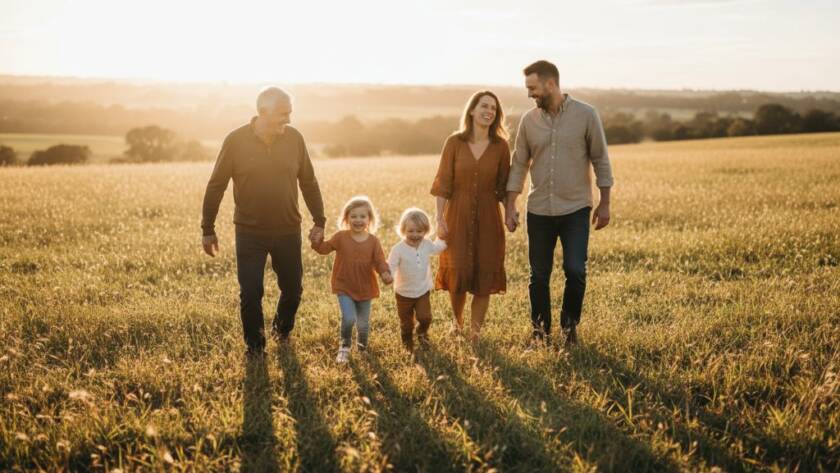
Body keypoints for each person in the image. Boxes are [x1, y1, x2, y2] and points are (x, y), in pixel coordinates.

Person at [201, 86, 326, 357]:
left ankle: (281, 332)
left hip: (287, 229)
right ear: (262, 112)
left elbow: (308, 181)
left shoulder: (294, 139)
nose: (289, 120)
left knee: (293, 290)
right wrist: (207, 229)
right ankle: (255, 348)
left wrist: (319, 221)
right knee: (250, 292)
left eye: (290, 113)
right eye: (283, 114)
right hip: (249, 232)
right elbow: (216, 185)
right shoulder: (235, 141)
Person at [505, 60, 614, 348]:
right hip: (539, 209)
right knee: (538, 275)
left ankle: (569, 330)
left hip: (576, 208)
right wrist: (510, 204)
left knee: (575, 269)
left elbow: (601, 159)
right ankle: (540, 333)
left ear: (550, 84)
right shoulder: (529, 121)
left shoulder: (586, 115)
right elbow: (519, 164)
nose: (529, 94)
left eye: (533, 88)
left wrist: (605, 203)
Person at [430, 90, 511, 343]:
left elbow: (505, 186)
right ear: (472, 110)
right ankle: (457, 324)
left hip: (489, 217)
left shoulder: (501, 147)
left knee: (484, 273)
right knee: (458, 272)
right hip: (457, 214)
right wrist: (439, 218)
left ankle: (475, 333)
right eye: (484, 106)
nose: (489, 111)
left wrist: (511, 211)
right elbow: (443, 183)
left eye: (493, 109)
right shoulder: (454, 143)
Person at [311, 196, 393, 363]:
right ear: (346, 218)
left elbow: (379, 261)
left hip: (365, 287)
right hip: (344, 285)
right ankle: (344, 346)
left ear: (369, 219)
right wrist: (316, 242)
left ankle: (362, 348)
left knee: (363, 323)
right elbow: (325, 249)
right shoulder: (341, 237)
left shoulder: (373, 241)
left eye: (362, 216)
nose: (358, 220)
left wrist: (384, 273)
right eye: (354, 216)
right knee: (349, 318)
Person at [387, 208, 447, 353]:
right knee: (406, 323)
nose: (415, 235)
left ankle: (422, 332)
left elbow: (438, 248)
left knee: (425, 317)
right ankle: (407, 341)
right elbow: (392, 265)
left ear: (425, 231)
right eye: (411, 231)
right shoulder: (398, 249)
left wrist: (442, 237)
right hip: (403, 293)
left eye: (419, 231)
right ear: (403, 230)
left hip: (422, 290)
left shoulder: (426, 244)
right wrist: (389, 275)